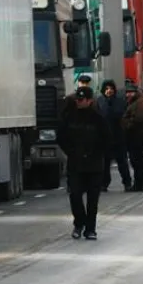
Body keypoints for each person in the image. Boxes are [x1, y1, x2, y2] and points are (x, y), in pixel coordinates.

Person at [57, 86, 109, 240]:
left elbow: (107, 139)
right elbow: (61, 137)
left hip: (94, 165)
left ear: (89, 101)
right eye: (77, 99)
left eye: (81, 100)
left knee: (93, 200)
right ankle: (79, 223)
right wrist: (71, 152)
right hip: (76, 164)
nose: (79, 102)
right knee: (75, 196)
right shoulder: (70, 117)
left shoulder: (98, 118)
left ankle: (90, 229)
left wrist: (96, 153)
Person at [94, 80, 130, 191]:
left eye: (111, 89)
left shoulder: (120, 102)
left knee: (122, 162)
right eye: (107, 89)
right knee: (105, 163)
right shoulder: (99, 101)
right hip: (104, 138)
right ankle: (104, 184)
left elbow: (122, 115)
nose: (109, 91)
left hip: (118, 137)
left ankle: (127, 183)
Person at [120, 81, 143, 192]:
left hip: (136, 136)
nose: (128, 94)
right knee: (136, 161)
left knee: (137, 161)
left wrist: (126, 124)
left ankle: (139, 184)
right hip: (134, 135)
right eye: (127, 92)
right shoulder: (135, 101)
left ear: (135, 92)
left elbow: (138, 119)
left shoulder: (140, 102)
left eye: (130, 92)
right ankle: (139, 184)